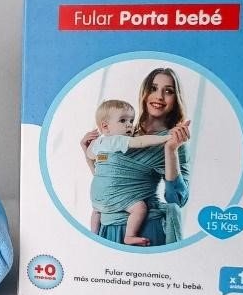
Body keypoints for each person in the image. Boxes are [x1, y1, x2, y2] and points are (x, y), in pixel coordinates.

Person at [80, 68, 192, 246]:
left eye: (168, 91)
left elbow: (177, 199)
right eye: (153, 88)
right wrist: (86, 153)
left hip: (146, 230)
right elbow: (109, 180)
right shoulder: (121, 132)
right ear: (144, 92)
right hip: (108, 228)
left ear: (175, 98)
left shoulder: (174, 140)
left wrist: (170, 151)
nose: (159, 96)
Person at [86, 99, 173, 246]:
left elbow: (91, 156)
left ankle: (93, 235)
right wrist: (165, 138)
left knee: (96, 212)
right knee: (139, 208)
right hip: (114, 195)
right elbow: (141, 142)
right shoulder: (117, 140)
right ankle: (130, 236)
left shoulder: (97, 144)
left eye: (131, 121)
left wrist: (88, 147)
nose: (129, 125)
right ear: (105, 126)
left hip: (96, 195)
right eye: (123, 120)